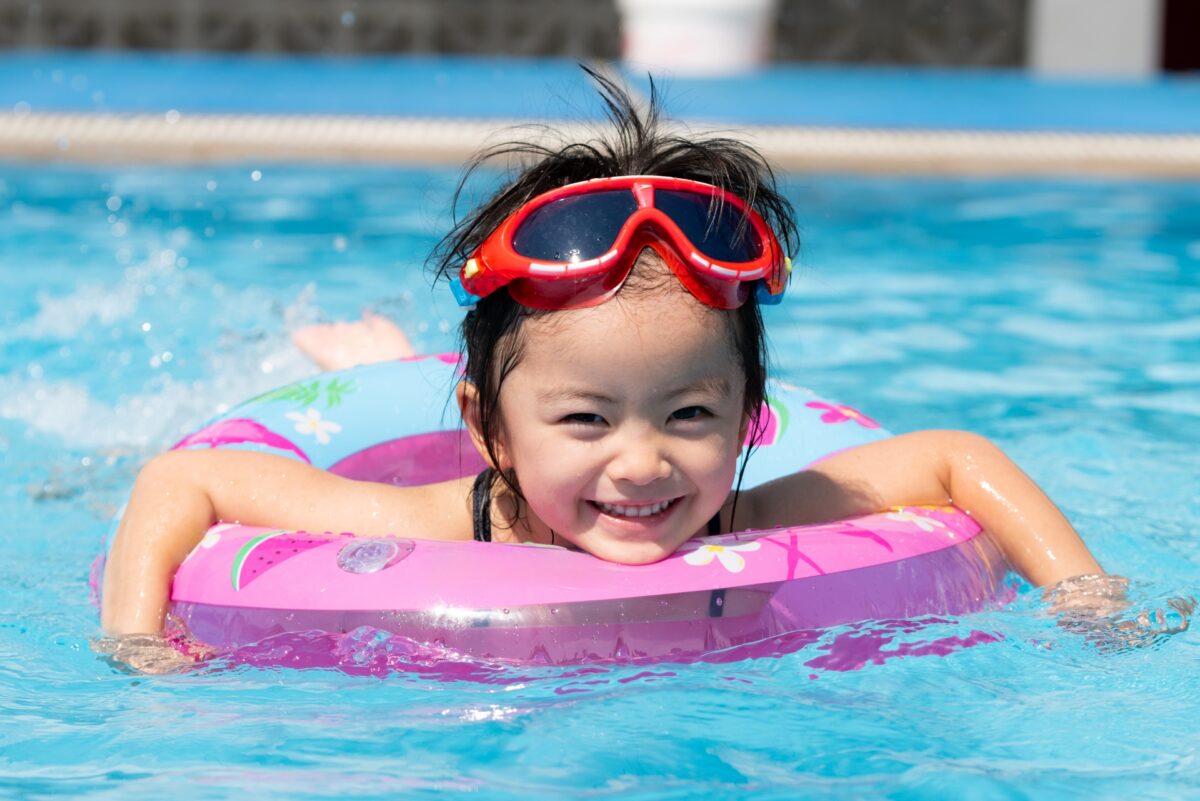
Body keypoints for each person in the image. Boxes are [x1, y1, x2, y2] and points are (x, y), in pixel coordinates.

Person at [98, 71, 1175, 669]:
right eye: (584, 420)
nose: (643, 460)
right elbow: (179, 480)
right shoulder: (420, 522)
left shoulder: (745, 518)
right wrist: (138, 647)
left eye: (692, 410)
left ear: (754, 416)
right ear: (486, 431)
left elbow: (955, 459)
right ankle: (381, 362)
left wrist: (1081, 592)